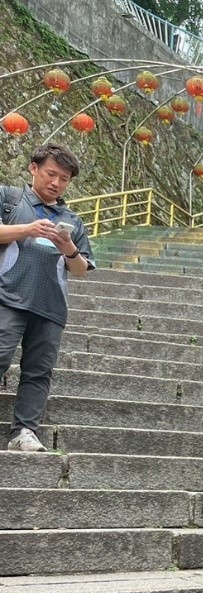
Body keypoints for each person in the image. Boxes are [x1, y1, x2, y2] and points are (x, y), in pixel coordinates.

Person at [0, 144, 94, 452]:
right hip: (8, 296)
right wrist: (26, 228)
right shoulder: (9, 199)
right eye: (51, 174)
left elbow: (81, 269)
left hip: (51, 306)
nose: (56, 183)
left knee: (39, 372)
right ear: (33, 168)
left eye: (64, 178)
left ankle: (24, 432)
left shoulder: (73, 221)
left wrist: (68, 246)